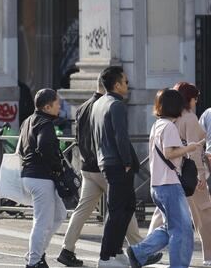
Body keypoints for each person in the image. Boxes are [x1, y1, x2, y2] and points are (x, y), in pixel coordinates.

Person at [57, 77, 151, 267]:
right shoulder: (106, 106)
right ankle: (139, 249)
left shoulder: (83, 107)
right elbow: (111, 138)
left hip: (87, 166)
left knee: (83, 209)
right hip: (104, 166)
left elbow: (78, 138)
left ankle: (67, 249)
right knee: (122, 207)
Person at [126, 89, 203, 268]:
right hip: (170, 185)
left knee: (171, 227)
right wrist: (190, 148)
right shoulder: (169, 127)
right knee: (182, 230)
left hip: (158, 185)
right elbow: (169, 153)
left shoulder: (157, 125)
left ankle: (138, 252)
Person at [149, 82, 211, 265]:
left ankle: (146, 250)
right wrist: (201, 175)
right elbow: (194, 151)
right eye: (195, 98)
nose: (196, 102)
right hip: (189, 175)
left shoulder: (164, 121)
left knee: (161, 216)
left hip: (168, 175)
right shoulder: (189, 118)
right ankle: (208, 255)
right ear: (188, 99)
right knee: (203, 215)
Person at [92, 66, 139, 267]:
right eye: (126, 81)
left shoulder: (98, 104)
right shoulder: (116, 105)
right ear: (117, 85)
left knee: (127, 206)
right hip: (118, 163)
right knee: (117, 210)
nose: (128, 84)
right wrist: (127, 162)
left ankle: (116, 251)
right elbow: (121, 136)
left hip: (106, 161)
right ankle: (106, 257)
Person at [17, 88, 66, 268]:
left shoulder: (27, 121)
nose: (59, 106)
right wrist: (57, 167)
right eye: (57, 103)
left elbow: (20, 149)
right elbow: (44, 146)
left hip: (31, 176)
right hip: (41, 178)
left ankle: (35, 253)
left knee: (59, 215)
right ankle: (34, 261)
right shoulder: (45, 123)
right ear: (47, 107)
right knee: (42, 222)